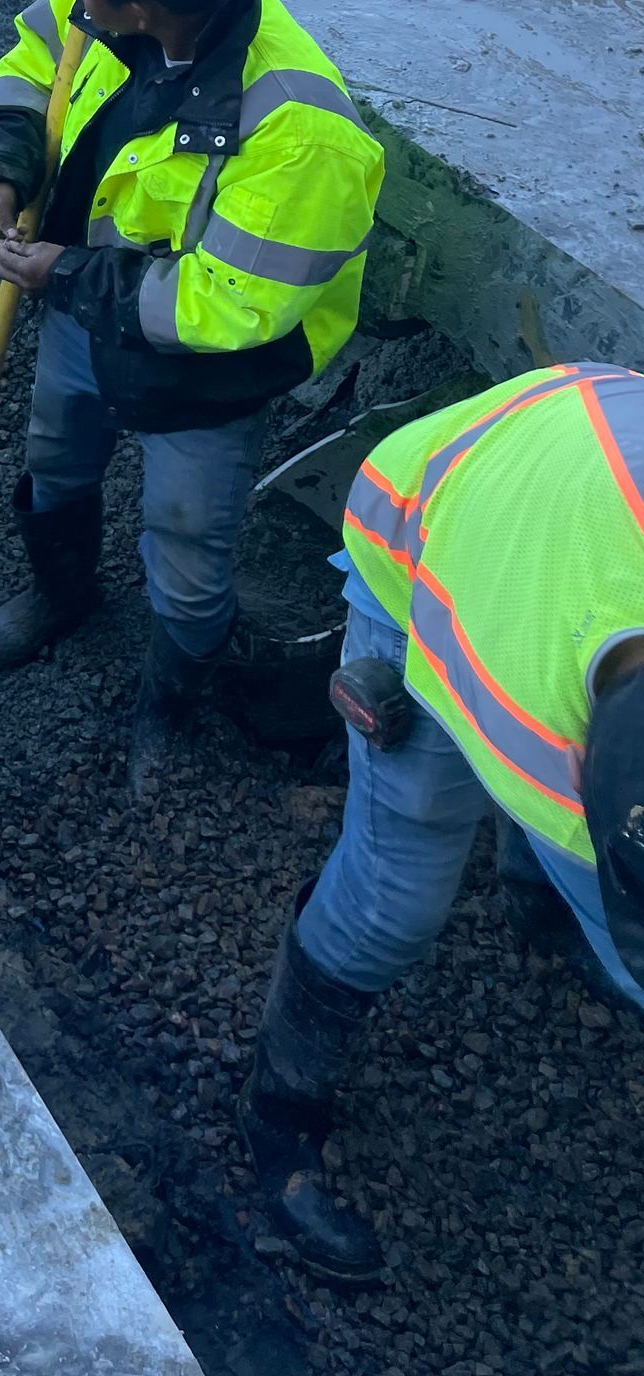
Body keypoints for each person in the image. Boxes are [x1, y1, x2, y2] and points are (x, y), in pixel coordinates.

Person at [0, 0, 384, 789]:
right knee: (55, 460)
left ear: (141, 7)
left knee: (189, 553)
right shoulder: (97, 8)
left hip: (204, 378)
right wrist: (3, 164)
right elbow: (34, 63)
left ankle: (171, 701)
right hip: (83, 313)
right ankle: (59, 595)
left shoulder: (300, 130)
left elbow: (230, 308)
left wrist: (63, 272)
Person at [242, 367, 644, 1282]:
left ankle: (533, 906)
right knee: (397, 894)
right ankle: (278, 1108)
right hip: (422, 530)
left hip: (583, 454)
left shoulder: (585, 735)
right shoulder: (531, 734)